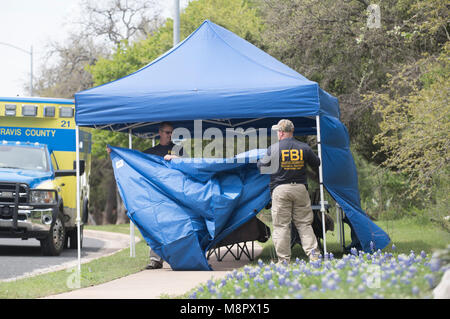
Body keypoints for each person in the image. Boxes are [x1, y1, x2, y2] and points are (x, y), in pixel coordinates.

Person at [107, 121, 183, 270]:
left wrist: (176, 159)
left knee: (174, 227)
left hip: (173, 195)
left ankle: (178, 259)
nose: (170, 135)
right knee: (155, 227)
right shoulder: (150, 152)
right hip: (155, 196)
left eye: (172, 132)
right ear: (160, 133)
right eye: (167, 132)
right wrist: (115, 153)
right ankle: (155, 260)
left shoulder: (178, 150)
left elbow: (188, 163)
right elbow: (133, 161)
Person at [257, 119, 322, 263]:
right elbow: (317, 163)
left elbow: (261, 167)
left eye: (277, 132)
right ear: (291, 132)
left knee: (281, 226)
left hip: (280, 189)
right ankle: (314, 256)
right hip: (300, 189)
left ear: (281, 133)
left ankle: (284, 260)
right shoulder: (304, 147)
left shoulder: (273, 149)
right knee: (304, 224)